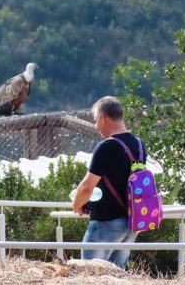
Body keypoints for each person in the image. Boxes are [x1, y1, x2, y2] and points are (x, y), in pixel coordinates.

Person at [72, 96, 146, 269]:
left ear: (103, 118)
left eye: (96, 120)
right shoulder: (139, 144)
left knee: (91, 273)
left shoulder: (106, 146)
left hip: (106, 222)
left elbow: (86, 187)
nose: (96, 125)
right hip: (132, 221)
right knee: (116, 275)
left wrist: (77, 205)